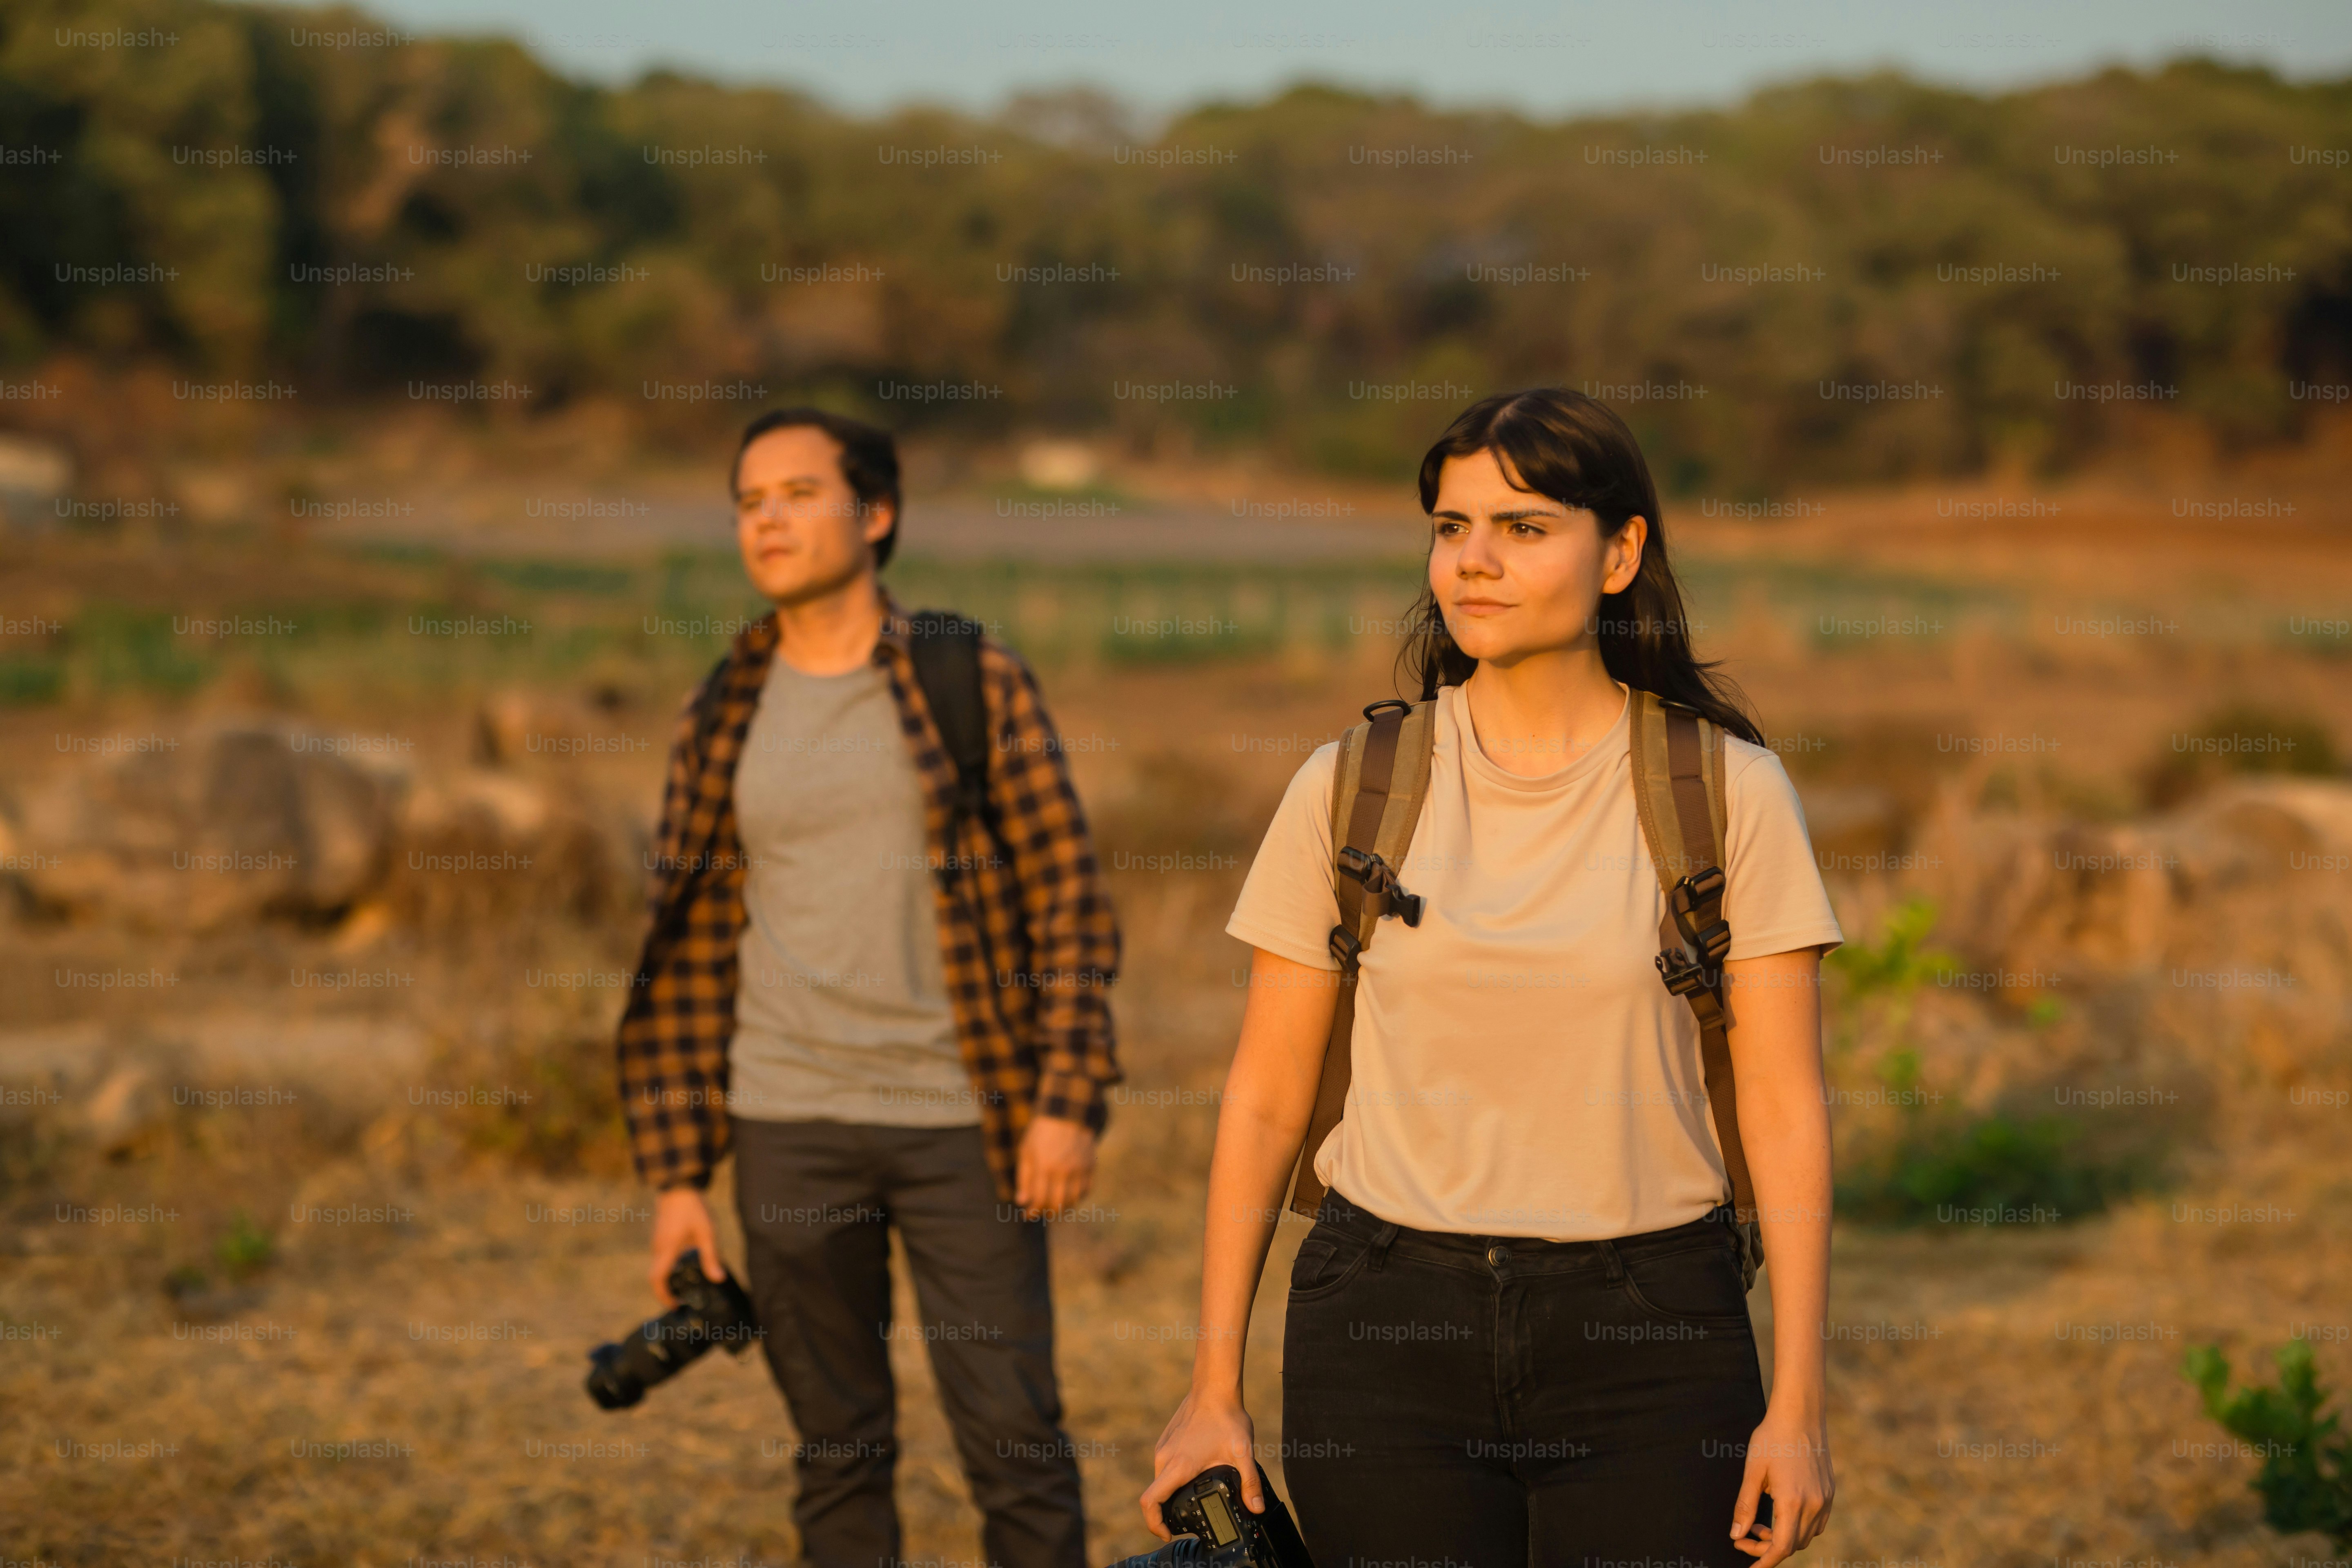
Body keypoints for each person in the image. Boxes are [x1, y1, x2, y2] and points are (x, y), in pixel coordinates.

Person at [1140, 388, 1844, 1567]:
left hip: (1654, 1336)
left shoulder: (1728, 794)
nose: (1474, 562)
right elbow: (1263, 1098)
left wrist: (1800, 1408)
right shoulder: (1350, 783)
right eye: (1452, 527)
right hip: (1379, 1326)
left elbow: (1783, 1107)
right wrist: (1212, 1389)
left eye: (1523, 529)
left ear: (1620, 553)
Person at [617, 407, 1121, 1568]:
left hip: (966, 1122)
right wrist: (680, 1176)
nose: (770, 520)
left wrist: (1067, 1094)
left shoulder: (965, 674)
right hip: (786, 1119)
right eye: (750, 501)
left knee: (1014, 1440)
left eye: (799, 492)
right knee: (836, 1450)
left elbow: (1067, 894)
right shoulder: (726, 701)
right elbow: (687, 950)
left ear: (877, 513)